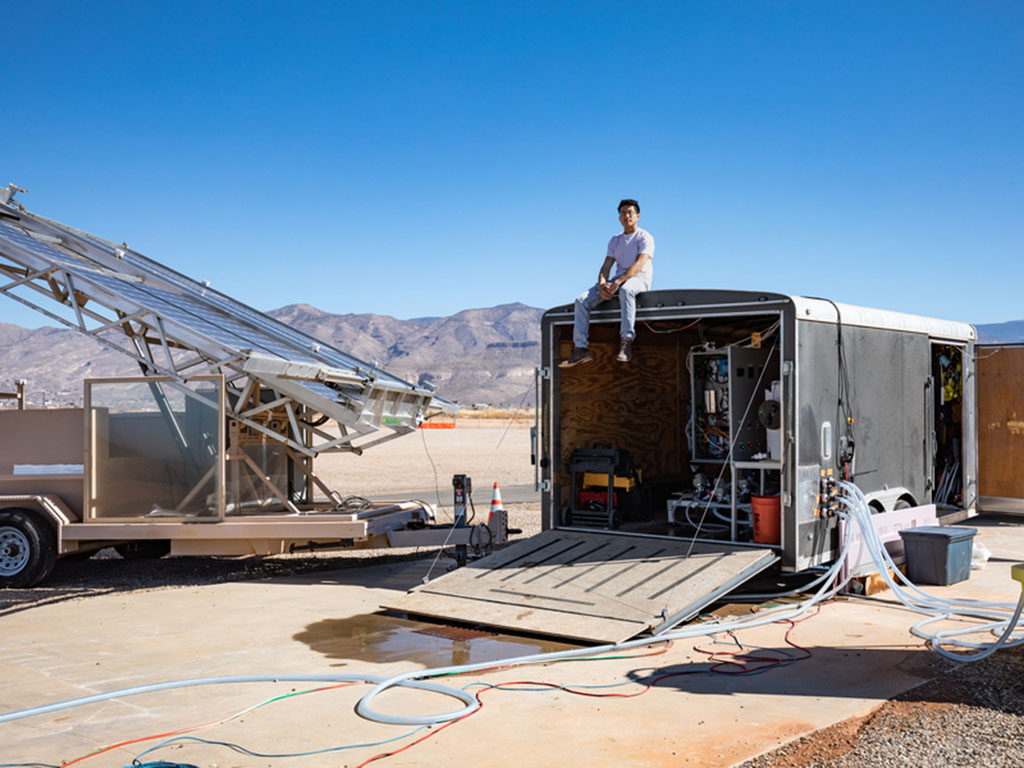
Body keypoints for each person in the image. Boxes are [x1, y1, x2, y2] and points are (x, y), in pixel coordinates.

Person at [560, 199, 654, 366]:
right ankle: (581, 348)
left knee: (626, 291)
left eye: (630, 212)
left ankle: (626, 341)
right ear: (619, 218)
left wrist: (617, 282)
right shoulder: (614, 240)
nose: (627, 216)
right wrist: (603, 284)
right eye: (623, 213)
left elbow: (639, 265)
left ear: (638, 216)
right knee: (581, 301)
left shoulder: (645, 237)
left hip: (638, 280)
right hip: (616, 281)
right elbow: (606, 266)